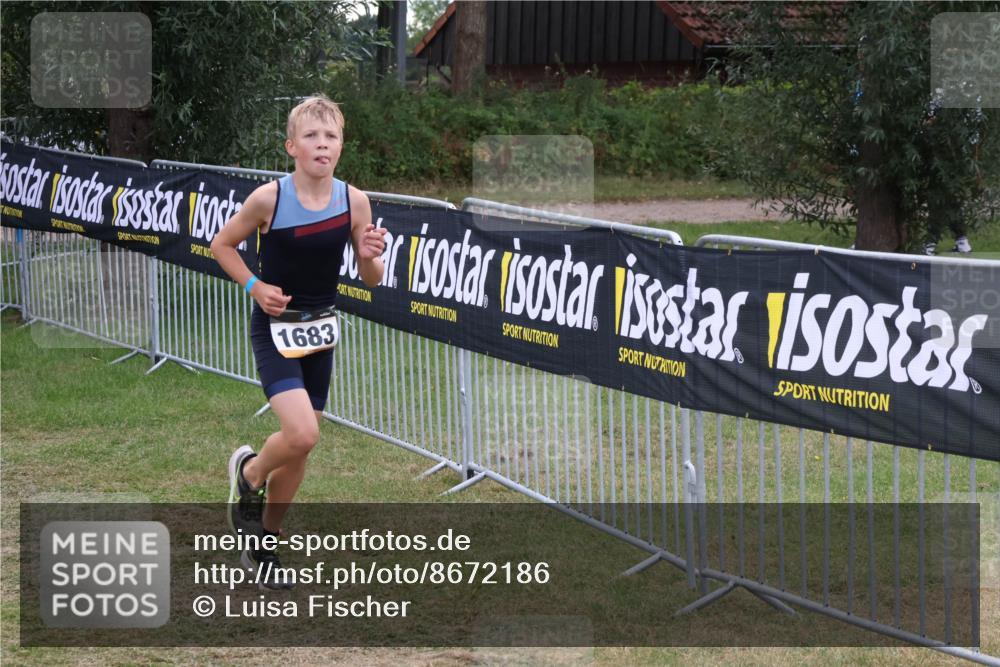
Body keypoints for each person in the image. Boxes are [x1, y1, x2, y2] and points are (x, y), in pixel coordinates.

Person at [211, 95, 387, 589]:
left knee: (301, 450)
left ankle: (264, 540)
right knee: (303, 433)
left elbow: (371, 277)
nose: (322, 144)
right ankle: (248, 473)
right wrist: (254, 286)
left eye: (330, 136)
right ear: (292, 146)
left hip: (320, 331)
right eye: (311, 136)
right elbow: (221, 246)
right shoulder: (270, 199)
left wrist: (371, 254)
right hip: (274, 328)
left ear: (341, 146)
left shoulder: (355, 201)